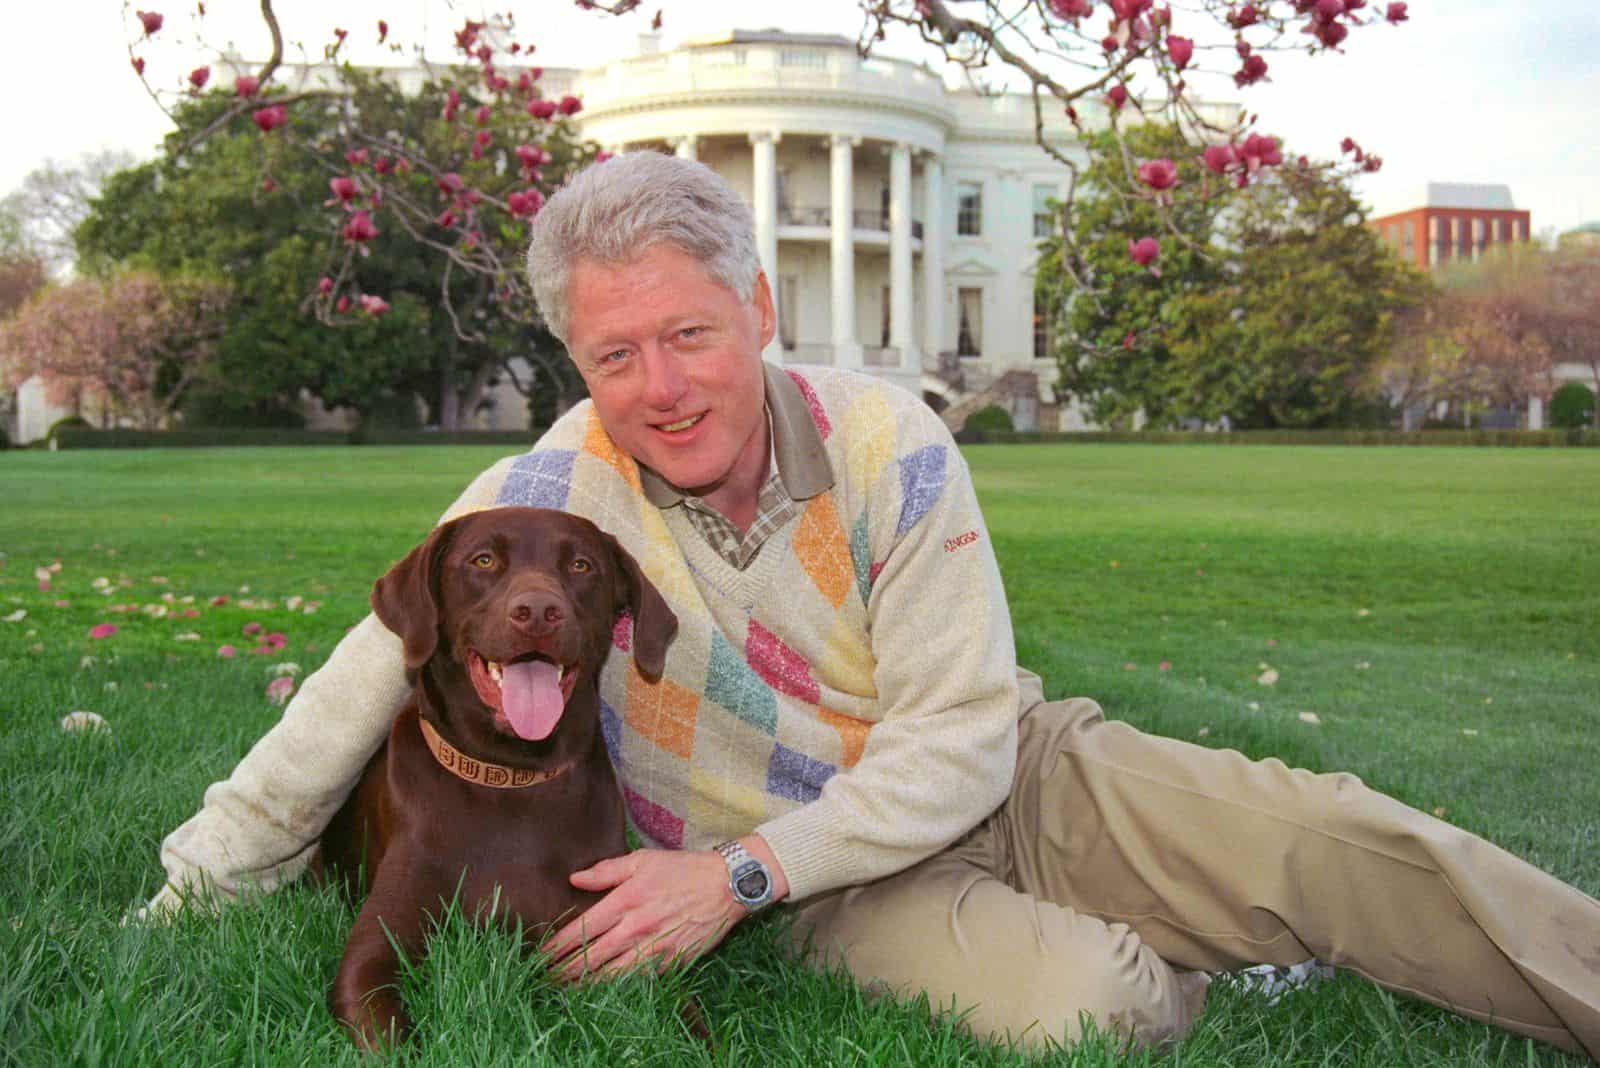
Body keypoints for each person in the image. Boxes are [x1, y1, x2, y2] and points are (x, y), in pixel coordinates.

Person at [144, 152, 1600, 1058]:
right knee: (1098, 1009)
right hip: (816, 882)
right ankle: (1213, 954)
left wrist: (735, 880)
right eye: (615, 355)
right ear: (576, 364)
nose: (661, 388)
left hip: (1012, 777)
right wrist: (193, 885)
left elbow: (963, 738)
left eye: (691, 334)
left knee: (1331, 836)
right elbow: (353, 694)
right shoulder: (547, 502)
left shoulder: (888, 441)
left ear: (762, 310)